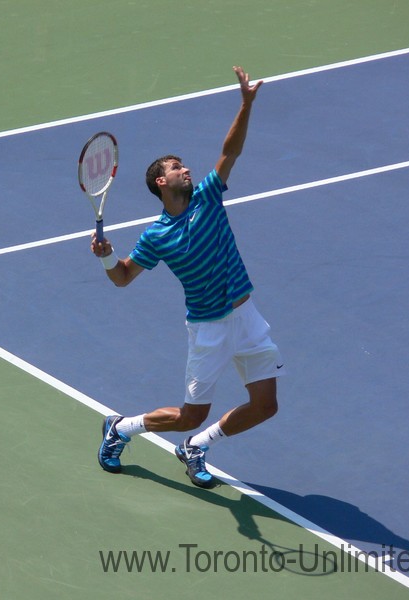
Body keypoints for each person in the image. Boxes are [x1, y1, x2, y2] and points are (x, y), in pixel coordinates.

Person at [92, 66, 285, 488]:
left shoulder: (208, 197)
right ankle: (120, 427)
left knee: (266, 405)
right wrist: (108, 258)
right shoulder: (155, 235)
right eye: (177, 167)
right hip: (208, 328)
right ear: (162, 182)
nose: (186, 170)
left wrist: (246, 104)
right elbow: (123, 278)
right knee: (187, 414)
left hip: (245, 315)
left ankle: (198, 446)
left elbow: (230, 151)